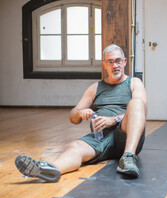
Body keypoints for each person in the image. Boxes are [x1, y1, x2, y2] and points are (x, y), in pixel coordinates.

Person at [15, 44, 147, 181]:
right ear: (104, 65)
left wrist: (113, 120)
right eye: (110, 62)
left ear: (124, 62)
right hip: (101, 138)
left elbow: (141, 110)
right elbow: (73, 117)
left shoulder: (134, 83)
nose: (115, 65)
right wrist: (80, 113)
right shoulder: (95, 88)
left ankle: (129, 157)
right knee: (74, 147)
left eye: (118, 61)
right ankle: (50, 169)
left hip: (126, 135)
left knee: (136, 103)